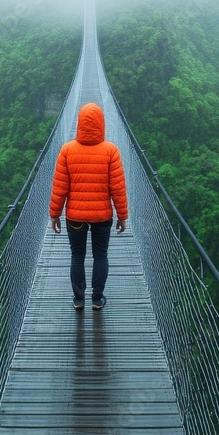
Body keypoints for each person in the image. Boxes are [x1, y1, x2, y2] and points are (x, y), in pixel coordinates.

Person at [50, 102, 128, 311]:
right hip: (102, 217)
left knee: (77, 256)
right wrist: (122, 216)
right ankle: (97, 299)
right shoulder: (111, 151)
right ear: (101, 123)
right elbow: (118, 188)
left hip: (75, 217)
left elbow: (60, 187)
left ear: (79, 123)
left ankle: (78, 300)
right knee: (100, 255)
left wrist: (55, 214)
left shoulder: (67, 150)